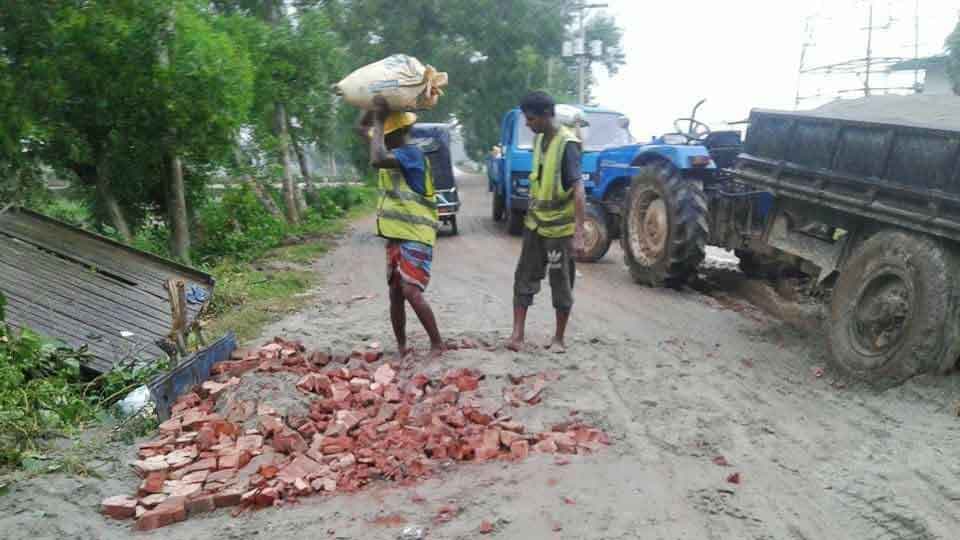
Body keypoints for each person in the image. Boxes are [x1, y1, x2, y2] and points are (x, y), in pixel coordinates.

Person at [358, 98, 444, 359]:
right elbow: (361, 130)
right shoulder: (393, 152)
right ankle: (402, 346)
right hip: (397, 236)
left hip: (417, 235)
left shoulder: (411, 154)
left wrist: (380, 120)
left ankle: (437, 343)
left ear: (395, 133)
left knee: (411, 291)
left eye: (385, 132)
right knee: (396, 293)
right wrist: (371, 107)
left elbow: (377, 158)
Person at [507, 91, 586, 353]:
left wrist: (578, 233)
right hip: (535, 226)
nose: (528, 124)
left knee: (559, 280)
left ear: (545, 115)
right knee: (524, 277)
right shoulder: (540, 140)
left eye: (530, 119)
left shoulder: (567, 144)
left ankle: (559, 339)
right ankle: (517, 335)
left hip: (558, 232)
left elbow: (578, 189)